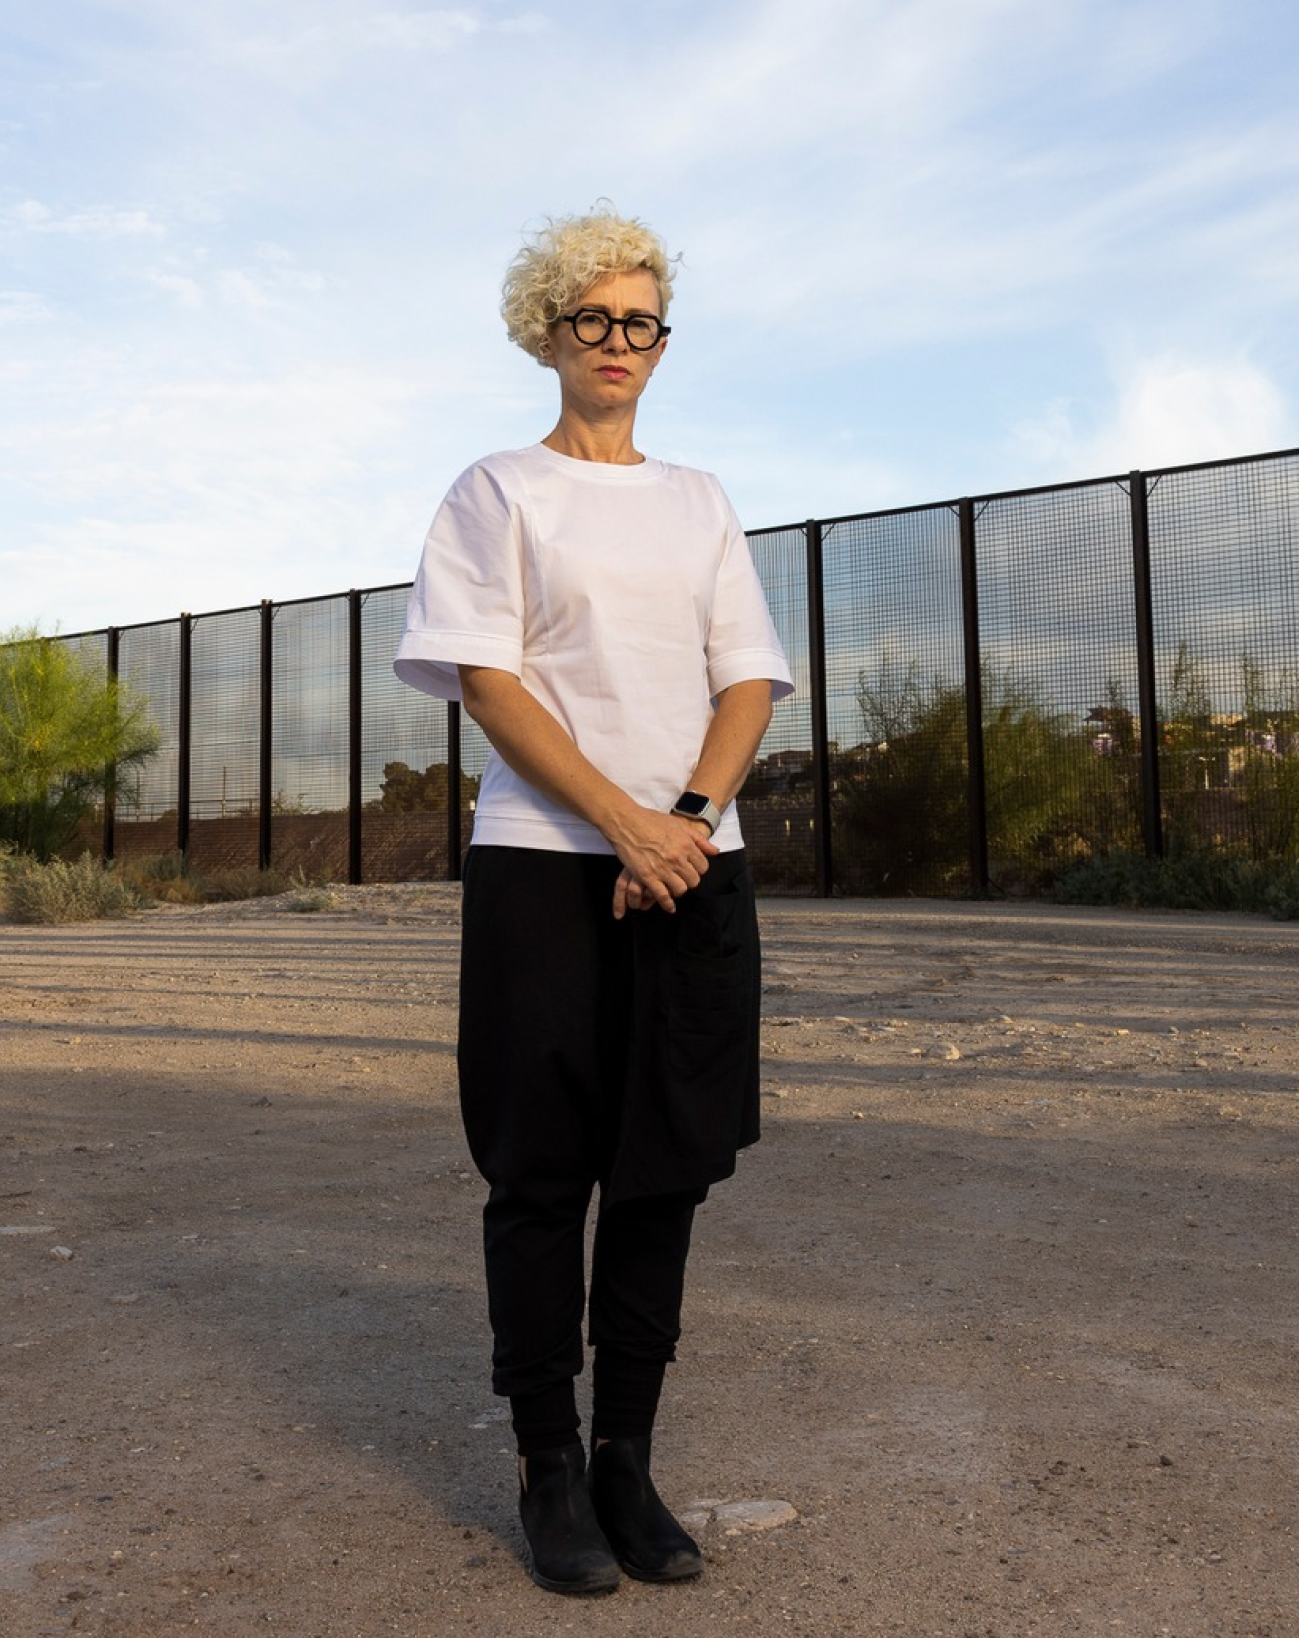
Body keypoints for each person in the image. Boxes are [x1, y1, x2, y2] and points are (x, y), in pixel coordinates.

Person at [394, 204, 792, 1595]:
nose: (619, 344)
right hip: (544, 873)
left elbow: (747, 679)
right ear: (546, 333)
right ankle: (548, 1466)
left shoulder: (700, 501)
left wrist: (683, 824)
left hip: (692, 870)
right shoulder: (495, 493)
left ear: (660, 341)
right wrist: (619, 820)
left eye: (642, 323)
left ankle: (629, 1458)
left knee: (665, 1171)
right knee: (541, 1173)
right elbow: (488, 681)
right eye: (593, 320)